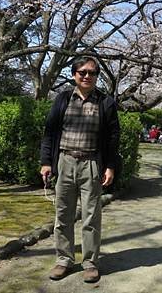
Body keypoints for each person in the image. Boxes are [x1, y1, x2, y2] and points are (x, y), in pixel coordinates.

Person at [40, 57, 120, 284]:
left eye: (92, 73)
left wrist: (110, 166)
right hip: (65, 161)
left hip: (92, 164)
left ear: (97, 76)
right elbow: (50, 132)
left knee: (91, 217)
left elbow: (113, 138)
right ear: (74, 74)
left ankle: (90, 263)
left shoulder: (106, 102)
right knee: (63, 214)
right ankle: (64, 259)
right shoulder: (63, 99)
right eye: (82, 72)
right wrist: (46, 162)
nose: (87, 76)